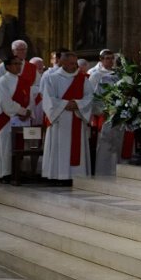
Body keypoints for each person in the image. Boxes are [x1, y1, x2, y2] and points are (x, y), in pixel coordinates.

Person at [39, 50, 93, 186]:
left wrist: (77, 104)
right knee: (60, 148)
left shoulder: (82, 79)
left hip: (76, 118)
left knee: (75, 149)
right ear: (62, 62)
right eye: (70, 63)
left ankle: (76, 176)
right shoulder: (52, 78)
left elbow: (89, 97)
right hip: (59, 120)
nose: (74, 66)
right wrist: (65, 104)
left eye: (75, 63)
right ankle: (58, 176)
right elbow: (48, 99)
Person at [0, 56, 31, 182]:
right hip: (6, 119)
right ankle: (5, 173)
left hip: (21, 119)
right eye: (15, 64)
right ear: (8, 66)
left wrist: (28, 111)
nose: (18, 66)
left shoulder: (24, 81)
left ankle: (18, 172)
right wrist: (23, 111)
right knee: (6, 147)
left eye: (20, 63)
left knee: (20, 146)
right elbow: (6, 103)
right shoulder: (2, 82)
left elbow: (29, 100)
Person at [88, 50, 123, 176]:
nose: (109, 61)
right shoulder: (95, 75)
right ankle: (102, 171)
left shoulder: (119, 75)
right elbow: (92, 97)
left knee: (117, 143)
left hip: (118, 115)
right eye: (107, 58)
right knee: (104, 145)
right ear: (101, 60)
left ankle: (115, 170)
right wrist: (103, 110)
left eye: (111, 58)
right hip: (104, 115)